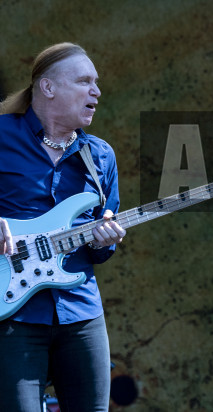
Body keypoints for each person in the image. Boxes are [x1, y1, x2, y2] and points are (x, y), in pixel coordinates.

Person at [0, 42, 126, 412]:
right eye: (84, 81)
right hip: (12, 315)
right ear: (48, 87)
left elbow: (103, 244)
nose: (96, 91)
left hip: (81, 311)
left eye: (96, 83)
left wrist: (106, 239)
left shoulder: (100, 155)